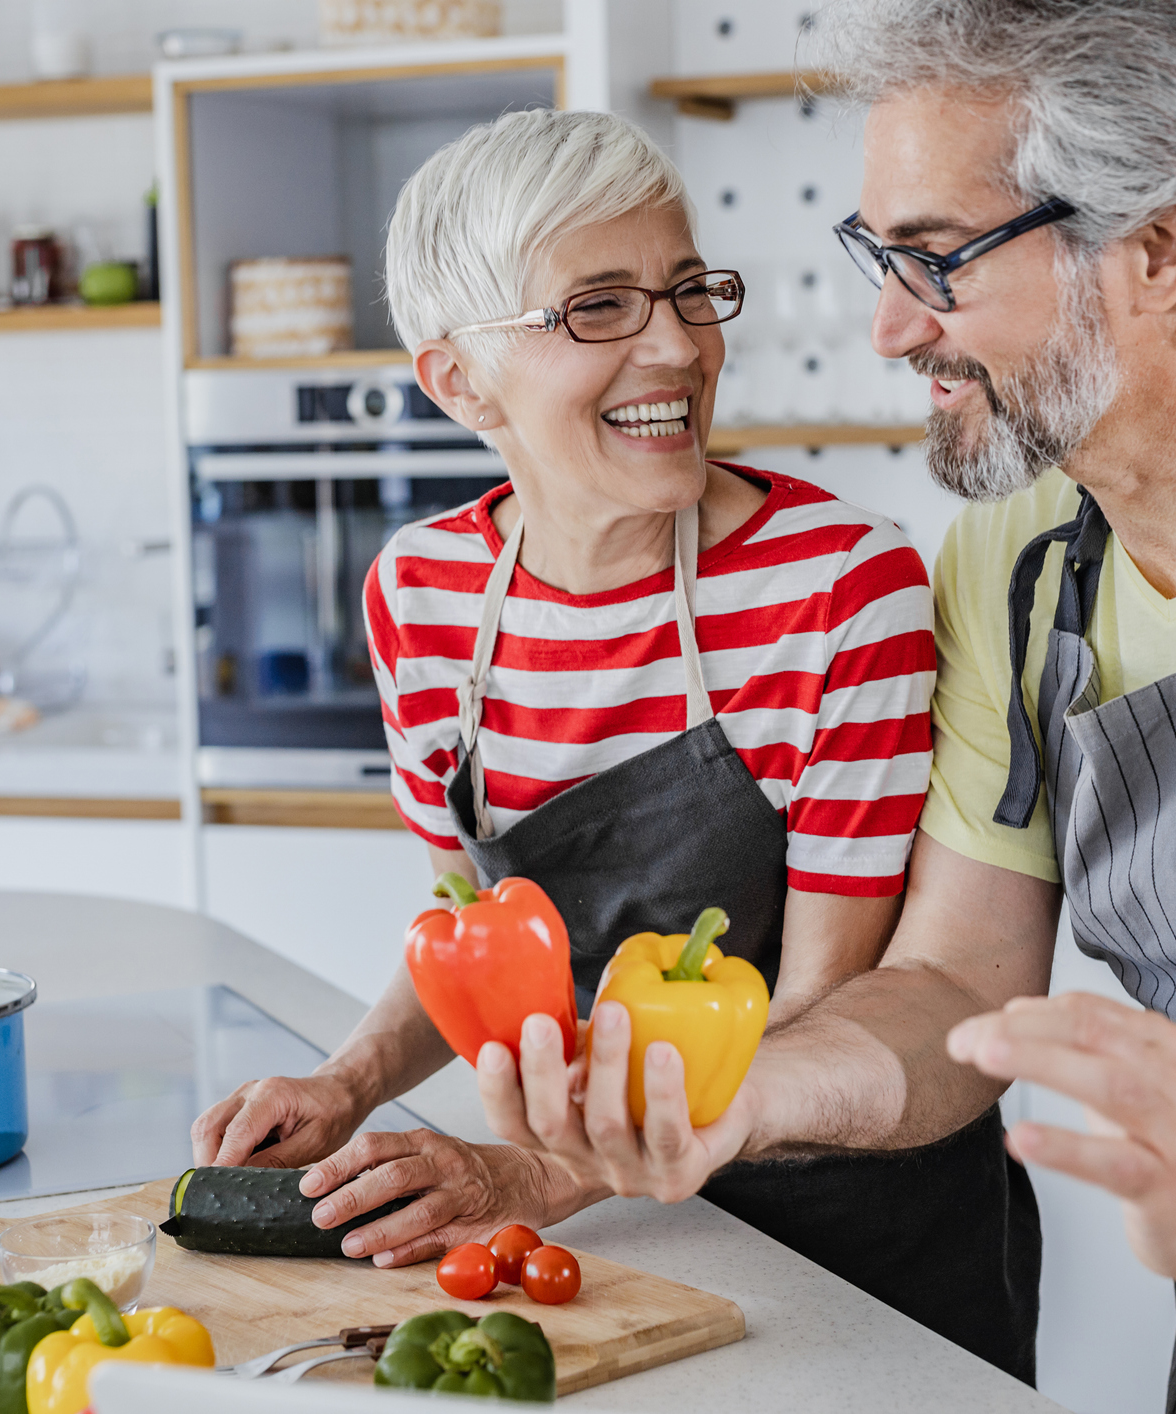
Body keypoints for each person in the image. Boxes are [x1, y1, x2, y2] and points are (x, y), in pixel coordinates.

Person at [478, 3, 1176, 1411]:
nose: (891, 327)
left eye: (936, 260)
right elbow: (957, 977)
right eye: (877, 258)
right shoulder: (1022, 554)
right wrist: (739, 1096)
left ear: (1154, 249)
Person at [189, 107, 1040, 1380]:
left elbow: (818, 1003)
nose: (679, 346)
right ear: (459, 380)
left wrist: (538, 1169)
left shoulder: (839, 589)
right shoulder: (420, 599)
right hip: (597, 1242)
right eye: (598, 308)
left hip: (855, 1233)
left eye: (688, 291)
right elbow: (477, 935)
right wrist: (352, 1079)